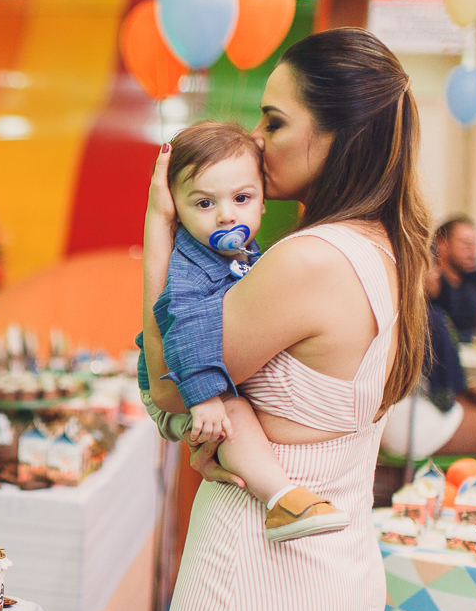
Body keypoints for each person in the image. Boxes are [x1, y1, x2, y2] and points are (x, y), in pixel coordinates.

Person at [144, 28, 429, 611]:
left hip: (257, 577)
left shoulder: (310, 259)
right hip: (337, 567)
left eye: (275, 120)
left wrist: (160, 231)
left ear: (338, 135)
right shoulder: (394, 249)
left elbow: (170, 384)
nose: (257, 139)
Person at [136, 121, 350, 541]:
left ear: (263, 202)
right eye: (203, 203)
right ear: (175, 209)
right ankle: (281, 499)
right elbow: (186, 326)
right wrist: (204, 397)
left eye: (242, 198)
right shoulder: (191, 265)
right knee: (231, 413)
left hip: (193, 378)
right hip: (176, 381)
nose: (226, 214)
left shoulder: (244, 253)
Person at [380, 249, 476, 459]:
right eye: (433, 265)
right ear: (416, 271)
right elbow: (445, 398)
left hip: (382, 425)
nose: (438, 272)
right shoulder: (431, 318)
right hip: (411, 428)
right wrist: (473, 393)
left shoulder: (389, 311)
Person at [433, 214, 476, 342]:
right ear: (442, 245)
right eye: (466, 243)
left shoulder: (475, 279)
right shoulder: (430, 283)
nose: (473, 250)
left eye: (475, 244)